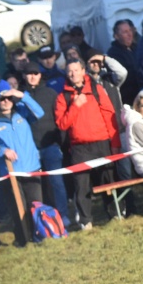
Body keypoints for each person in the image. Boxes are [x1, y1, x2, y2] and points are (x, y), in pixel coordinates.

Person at [56, 60, 120, 231]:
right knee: (81, 185)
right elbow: (62, 124)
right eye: (70, 71)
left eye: (76, 70)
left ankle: (115, 213)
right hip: (80, 147)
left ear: (83, 71)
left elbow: (110, 116)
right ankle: (86, 221)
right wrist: (75, 106)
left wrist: (115, 144)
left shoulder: (96, 89)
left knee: (108, 180)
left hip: (102, 142)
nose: (73, 74)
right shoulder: (63, 97)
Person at [0, 83, 44, 246]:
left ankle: (40, 236)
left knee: (36, 204)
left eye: (9, 97)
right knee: (18, 208)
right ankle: (23, 240)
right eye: (2, 98)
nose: (6, 101)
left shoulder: (21, 110)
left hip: (31, 167)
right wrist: (2, 151)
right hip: (10, 172)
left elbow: (40, 112)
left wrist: (23, 96)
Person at [17, 62, 70, 226]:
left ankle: (63, 216)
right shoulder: (19, 97)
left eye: (36, 73)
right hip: (31, 149)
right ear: (24, 76)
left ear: (40, 75)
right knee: (37, 186)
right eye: (29, 74)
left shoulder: (50, 93)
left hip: (51, 144)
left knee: (56, 182)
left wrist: (61, 141)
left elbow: (59, 118)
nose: (33, 77)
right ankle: (43, 218)